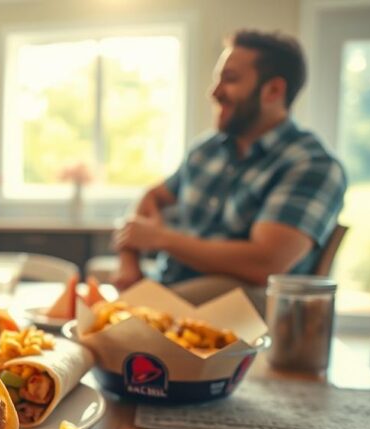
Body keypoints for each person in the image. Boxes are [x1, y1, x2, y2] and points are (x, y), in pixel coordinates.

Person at [112, 29, 346, 314]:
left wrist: (161, 239)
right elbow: (152, 196)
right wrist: (129, 259)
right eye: (217, 79)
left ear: (273, 90)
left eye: (231, 79)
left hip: (242, 303)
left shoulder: (311, 165)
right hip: (173, 284)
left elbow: (265, 263)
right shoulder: (206, 150)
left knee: (116, 317)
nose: (214, 92)